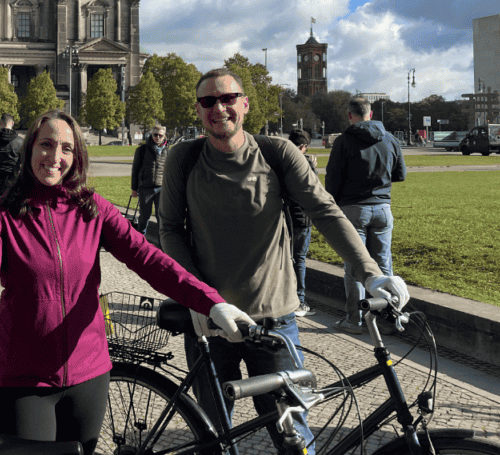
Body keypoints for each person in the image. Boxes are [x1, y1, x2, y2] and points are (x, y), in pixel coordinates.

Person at [0, 110, 253, 455]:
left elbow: (149, 259)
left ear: (77, 156)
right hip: (25, 381)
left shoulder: (91, 207)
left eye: (66, 148)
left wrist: (210, 301)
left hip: (89, 375)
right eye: (46, 145)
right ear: (29, 151)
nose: (55, 158)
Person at [160, 69, 410, 454]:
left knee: (294, 438)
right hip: (210, 324)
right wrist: (199, 297)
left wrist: (372, 274)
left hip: (274, 323)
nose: (219, 107)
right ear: (198, 110)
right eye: (209, 101)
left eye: (228, 98)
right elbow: (171, 230)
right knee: (213, 439)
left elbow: (325, 211)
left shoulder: (277, 153)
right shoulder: (184, 158)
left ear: (245, 104)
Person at [325, 97, 408, 334]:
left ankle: (354, 320)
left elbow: (333, 178)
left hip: (353, 209)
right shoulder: (390, 139)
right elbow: (400, 174)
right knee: (383, 264)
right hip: (383, 207)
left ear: (350, 115)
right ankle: (389, 318)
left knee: (355, 265)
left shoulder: (344, 141)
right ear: (370, 114)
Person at [286, 129, 319, 317]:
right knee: (299, 259)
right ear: (303, 147)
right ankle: (300, 300)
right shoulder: (304, 162)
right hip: (301, 218)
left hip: (284, 217)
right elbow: (314, 190)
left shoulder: (280, 160)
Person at [129, 125, 168, 239]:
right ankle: (140, 240)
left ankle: (162, 241)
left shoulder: (168, 151)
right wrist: (134, 188)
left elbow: (170, 172)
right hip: (145, 188)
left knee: (160, 216)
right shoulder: (142, 150)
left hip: (161, 189)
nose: (157, 137)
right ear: (151, 135)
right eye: (155, 135)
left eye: (160, 135)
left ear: (164, 136)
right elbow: (135, 170)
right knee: (144, 216)